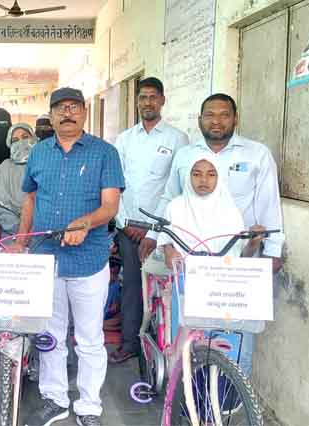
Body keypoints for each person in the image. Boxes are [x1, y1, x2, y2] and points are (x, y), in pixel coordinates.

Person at [10, 87, 125, 426]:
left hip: (88, 260)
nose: (67, 113)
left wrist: (85, 223)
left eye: (74, 107)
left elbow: (110, 206)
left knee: (89, 339)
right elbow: (30, 199)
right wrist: (21, 241)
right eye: (60, 108)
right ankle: (55, 399)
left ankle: (89, 406)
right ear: (51, 115)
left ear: (84, 112)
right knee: (50, 336)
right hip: (46, 258)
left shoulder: (105, 153)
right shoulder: (39, 153)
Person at [140, 93, 285, 272]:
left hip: (241, 252)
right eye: (209, 115)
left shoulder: (257, 154)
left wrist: (273, 250)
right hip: (189, 254)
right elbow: (170, 197)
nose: (216, 121)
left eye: (224, 115)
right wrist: (153, 235)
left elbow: (268, 204)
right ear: (200, 120)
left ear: (235, 119)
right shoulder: (185, 155)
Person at [156, 156, 266, 375]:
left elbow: (241, 255)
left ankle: (223, 389)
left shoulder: (230, 211)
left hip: (221, 285)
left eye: (211, 174)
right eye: (196, 174)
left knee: (229, 340)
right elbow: (166, 241)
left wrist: (254, 242)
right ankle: (179, 386)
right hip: (185, 283)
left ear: (219, 178)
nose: (203, 180)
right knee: (185, 345)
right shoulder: (175, 207)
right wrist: (169, 251)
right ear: (188, 178)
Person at [109, 77, 188, 364]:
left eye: (153, 97)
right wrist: (124, 223)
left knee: (165, 289)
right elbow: (115, 184)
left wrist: (156, 232)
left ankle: (164, 349)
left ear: (163, 100)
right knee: (131, 286)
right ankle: (130, 343)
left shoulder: (178, 139)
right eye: (143, 97)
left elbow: (175, 190)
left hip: (163, 231)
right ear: (137, 101)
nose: (147, 102)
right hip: (128, 227)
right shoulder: (125, 139)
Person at [0, 123, 38, 237]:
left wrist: (35, 231)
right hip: (11, 235)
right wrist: (19, 231)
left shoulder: (44, 164)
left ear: (34, 138)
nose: (21, 142)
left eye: (25, 137)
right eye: (15, 140)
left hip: (42, 234)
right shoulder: (5, 167)